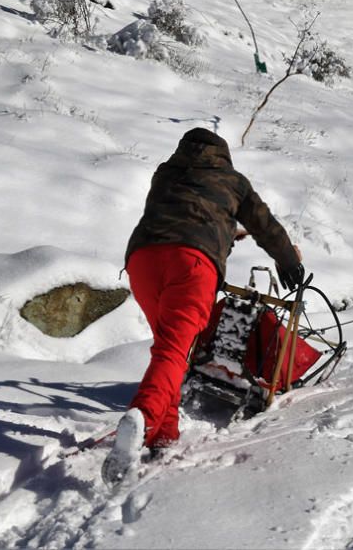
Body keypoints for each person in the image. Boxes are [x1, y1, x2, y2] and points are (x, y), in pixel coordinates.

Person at [102, 127, 305, 484]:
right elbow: (264, 225)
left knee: (170, 350)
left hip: (142, 260)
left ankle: (165, 433)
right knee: (173, 351)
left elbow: (183, 212)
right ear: (223, 156)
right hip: (192, 264)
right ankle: (143, 416)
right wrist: (288, 261)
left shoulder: (165, 172)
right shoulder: (234, 181)